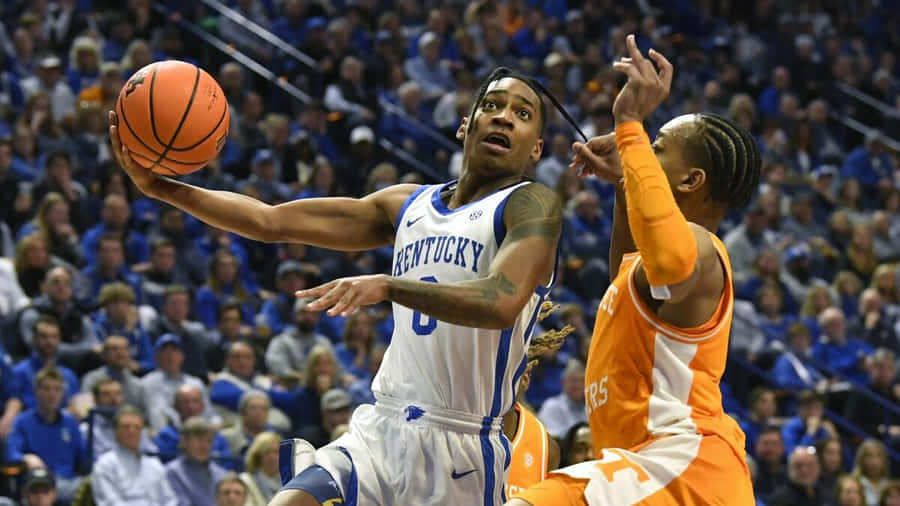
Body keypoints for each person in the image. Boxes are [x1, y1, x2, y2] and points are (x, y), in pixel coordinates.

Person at [112, 58, 568, 505]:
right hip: (381, 429)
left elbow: (500, 301)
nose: (504, 117)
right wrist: (161, 188)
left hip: (461, 447)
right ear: (465, 125)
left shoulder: (531, 205)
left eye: (522, 113)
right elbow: (270, 221)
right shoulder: (406, 206)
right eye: (492, 105)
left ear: (536, 149)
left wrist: (389, 286)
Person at [508, 36, 760, 505]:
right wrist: (627, 182)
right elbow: (628, 279)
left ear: (691, 180)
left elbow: (667, 262)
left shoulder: (702, 250)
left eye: (656, 148)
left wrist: (629, 124)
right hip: (657, 471)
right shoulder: (664, 268)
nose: (641, 151)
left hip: (683, 466)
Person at [5, 367, 87, 502]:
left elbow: (85, 459)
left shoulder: (70, 422)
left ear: (63, 393)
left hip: (67, 482)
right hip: (37, 484)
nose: (52, 394)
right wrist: (26, 458)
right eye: (46, 389)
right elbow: (10, 453)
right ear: (36, 391)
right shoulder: (22, 421)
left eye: (57, 389)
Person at [91, 406, 178, 505]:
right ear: (115, 431)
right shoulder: (105, 464)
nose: (132, 431)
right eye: (126, 427)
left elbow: (170, 500)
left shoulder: (154, 465)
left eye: (137, 427)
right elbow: (110, 503)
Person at [140, 334, 221, 435]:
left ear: (182, 356)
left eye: (174, 350)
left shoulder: (195, 383)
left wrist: (214, 424)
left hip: (199, 431)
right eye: (165, 351)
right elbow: (156, 413)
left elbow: (209, 413)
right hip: (168, 432)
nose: (170, 356)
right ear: (157, 357)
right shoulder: (149, 382)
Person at [81, 378, 156, 459]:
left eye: (117, 394)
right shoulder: (86, 429)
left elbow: (152, 453)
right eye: (106, 394)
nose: (113, 399)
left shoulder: (134, 425)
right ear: (95, 399)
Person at [165, 417, 229, 506]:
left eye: (208, 441)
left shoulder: (221, 474)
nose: (204, 446)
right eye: (199, 440)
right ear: (184, 442)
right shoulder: (172, 471)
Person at [536, 359, 587, 439]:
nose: (578, 385)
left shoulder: (587, 409)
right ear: (564, 382)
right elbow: (550, 437)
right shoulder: (551, 406)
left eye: (581, 381)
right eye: (573, 380)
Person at [221, 390, 273, 458]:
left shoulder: (275, 439)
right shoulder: (226, 437)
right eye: (253, 408)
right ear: (242, 412)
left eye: (264, 408)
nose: (259, 413)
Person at [239, 432, 282, 506]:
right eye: (267, 452)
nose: (272, 457)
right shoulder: (246, 480)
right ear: (257, 456)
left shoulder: (289, 482)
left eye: (276, 452)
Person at [852, 439, 891, 506]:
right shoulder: (852, 484)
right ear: (861, 459)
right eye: (869, 456)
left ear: (884, 460)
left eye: (878, 456)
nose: (874, 462)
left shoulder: (889, 486)